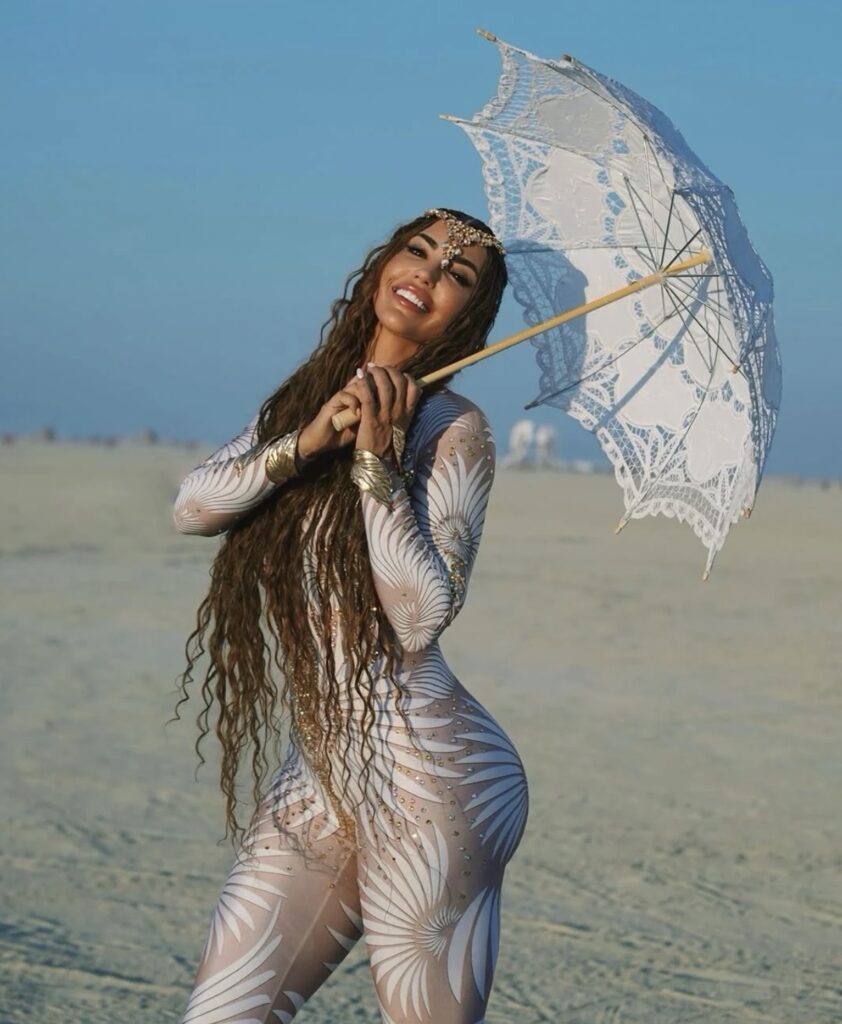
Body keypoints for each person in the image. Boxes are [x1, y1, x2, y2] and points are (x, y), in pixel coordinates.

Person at [172, 208, 528, 1024]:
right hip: (320, 769)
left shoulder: (454, 429)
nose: (428, 273)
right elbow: (192, 507)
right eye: (418, 250)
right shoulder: (308, 399)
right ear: (382, 265)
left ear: (468, 315)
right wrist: (305, 444)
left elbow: (420, 616)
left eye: (458, 275)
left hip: (435, 776)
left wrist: (377, 461)